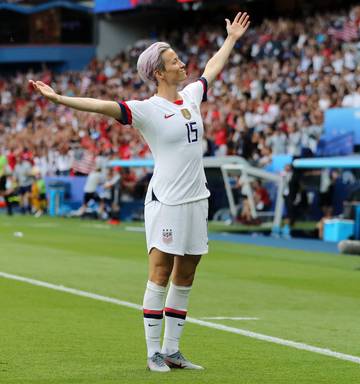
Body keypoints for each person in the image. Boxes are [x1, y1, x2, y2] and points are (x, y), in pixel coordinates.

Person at [29, 11, 250, 372]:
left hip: (197, 200)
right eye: (175, 61)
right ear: (159, 73)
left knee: (187, 275)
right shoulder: (146, 110)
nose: (183, 64)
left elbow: (212, 68)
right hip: (166, 201)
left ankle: (173, 349)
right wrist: (58, 99)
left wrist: (231, 40)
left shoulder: (192, 95)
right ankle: (152, 354)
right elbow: (102, 107)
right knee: (160, 274)